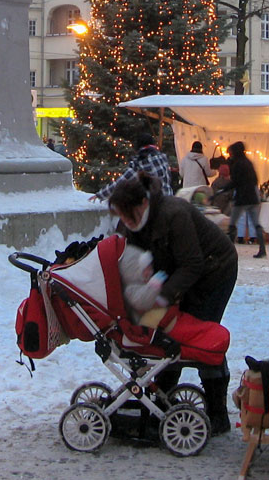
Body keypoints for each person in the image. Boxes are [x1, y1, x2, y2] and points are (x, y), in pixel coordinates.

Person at [108, 172, 238, 434]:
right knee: (169, 338)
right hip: (181, 274)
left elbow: (192, 264)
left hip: (215, 271)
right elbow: (129, 256)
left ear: (141, 204)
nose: (122, 221)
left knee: (202, 336)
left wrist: (163, 296)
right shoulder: (133, 222)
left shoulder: (173, 214)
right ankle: (162, 401)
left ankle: (217, 413)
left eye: (125, 214)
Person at [90, 132, 173, 202]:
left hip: (154, 203)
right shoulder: (162, 157)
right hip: (168, 199)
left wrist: (101, 195)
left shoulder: (141, 161)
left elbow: (122, 181)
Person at [219, 141, 266, 258]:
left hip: (241, 198)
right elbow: (255, 180)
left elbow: (235, 182)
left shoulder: (237, 164)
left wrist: (223, 190)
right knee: (256, 224)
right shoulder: (248, 163)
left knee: (232, 224)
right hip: (252, 198)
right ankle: (262, 249)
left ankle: (228, 250)